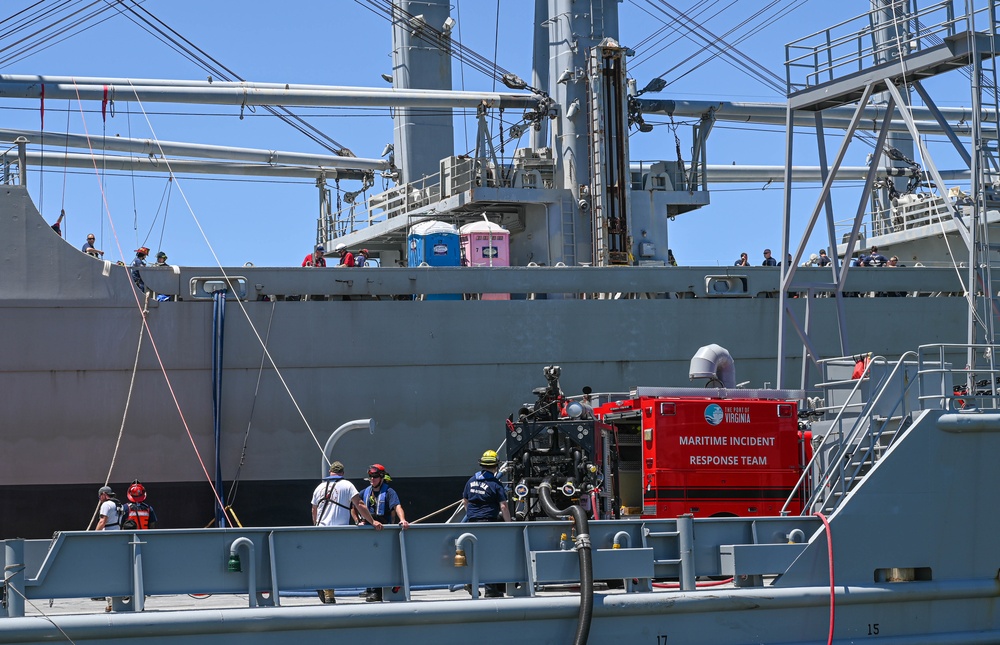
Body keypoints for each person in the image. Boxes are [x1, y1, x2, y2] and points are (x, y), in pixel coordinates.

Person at [311, 461, 383, 604]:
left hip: (321, 531)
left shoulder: (319, 488)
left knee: (327, 562)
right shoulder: (347, 485)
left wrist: (316, 527)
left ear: (330, 472)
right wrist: (372, 521)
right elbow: (359, 504)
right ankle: (328, 590)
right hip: (339, 532)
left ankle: (327, 591)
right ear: (342, 473)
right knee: (341, 561)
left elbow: (314, 510)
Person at [357, 463, 409, 602]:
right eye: (370, 477)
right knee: (369, 560)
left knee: (381, 561)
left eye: (374, 477)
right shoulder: (364, 492)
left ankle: (376, 591)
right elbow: (354, 505)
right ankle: (370, 588)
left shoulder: (389, 492)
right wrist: (359, 520)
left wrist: (403, 520)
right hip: (369, 531)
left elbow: (397, 506)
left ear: (381, 477)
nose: (372, 479)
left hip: (383, 532)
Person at [462, 449, 510, 598]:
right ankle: (491, 590)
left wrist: (472, 515)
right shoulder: (495, 484)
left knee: (475, 554)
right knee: (491, 555)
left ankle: (470, 581)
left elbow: (465, 502)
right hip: (489, 523)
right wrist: (509, 525)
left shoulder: (471, 480)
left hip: (472, 523)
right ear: (496, 466)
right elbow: (503, 506)